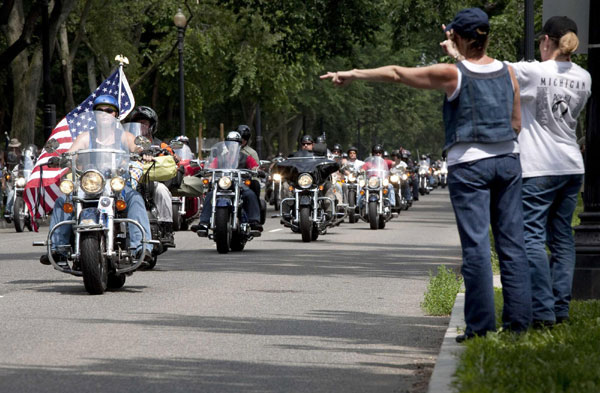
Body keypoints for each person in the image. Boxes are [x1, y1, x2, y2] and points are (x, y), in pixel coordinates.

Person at [322, 7, 531, 341]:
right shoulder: (508, 73)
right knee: (513, 244)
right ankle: (519, 325)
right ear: (486, 36)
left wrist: (353, 73)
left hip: (470, 165)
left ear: (458, 36)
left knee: (476, 246)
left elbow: (395, 73)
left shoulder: (454, 75)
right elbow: (517, 123)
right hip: (508, 162)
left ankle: (480, 328)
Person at [510, 17, 591, 327]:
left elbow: (496, 70)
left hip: (539, 168)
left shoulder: (534, 71)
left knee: (530, 237)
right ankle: (560, 310)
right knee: (562, 239)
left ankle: (542, 312)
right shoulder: (585, 77)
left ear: (546, 41)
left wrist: (458, 55)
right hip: (571, 167)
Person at [41, 95, 154, 265]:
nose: (104, 114)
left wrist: (144, 152)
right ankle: (59, 248)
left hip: (117, 185)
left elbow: (137, 147)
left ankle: (141, 248)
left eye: (109, 110)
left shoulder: (124, 136)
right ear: (94, 115)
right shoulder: (86, 137)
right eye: (99, 111)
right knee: (63, 200)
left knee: (136, 198)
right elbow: (71, 152)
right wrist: (61, 158)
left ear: (116, 114)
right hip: (90, 184)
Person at [191, 131, 262, 232]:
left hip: (239, 183)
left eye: (235, 143)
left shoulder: (246, 157)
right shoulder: (220, 157)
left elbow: (254, 166)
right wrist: (205, 170)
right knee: (210, 195)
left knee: (250, 194)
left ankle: (254, 221)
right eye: (230, 143)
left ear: (240, 144)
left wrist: (257, 170)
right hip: (223, 183)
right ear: (227, 144)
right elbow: (211, 166)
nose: (232, 146)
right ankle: (204, 223)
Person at [129, 106, 175, 248]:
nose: (141, 126)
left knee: (162, 190)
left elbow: (171, 155)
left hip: (151, 181)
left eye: (144, 123)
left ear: (152, 125)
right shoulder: (127, 141)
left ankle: (167, 229)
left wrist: (171, 156)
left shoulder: (159, 144)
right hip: (130, 180)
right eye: (138, 123)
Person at [3, 138, 23, 221]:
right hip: (12, 177)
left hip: (22, 176)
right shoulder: (7, 155)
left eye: (16, 147)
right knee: (11, 192)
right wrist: (5, 172)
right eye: (12, 147)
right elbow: (5, 166)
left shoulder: (23, 155)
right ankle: (7, 211)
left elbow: (28, 165)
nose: (14, 149)